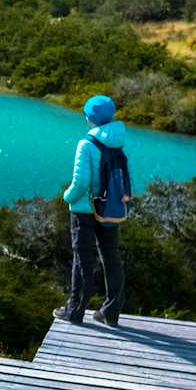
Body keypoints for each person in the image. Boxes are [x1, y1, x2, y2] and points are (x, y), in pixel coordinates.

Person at [55, 93, 128, 326]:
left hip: (85, 209)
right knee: (111, 256)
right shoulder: (119, 141)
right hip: (110, 208)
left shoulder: (86, 144)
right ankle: (110, 311)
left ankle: (75, 311)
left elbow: (80, 183)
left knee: (83, 259)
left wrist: (66, 197)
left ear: (90, 117)